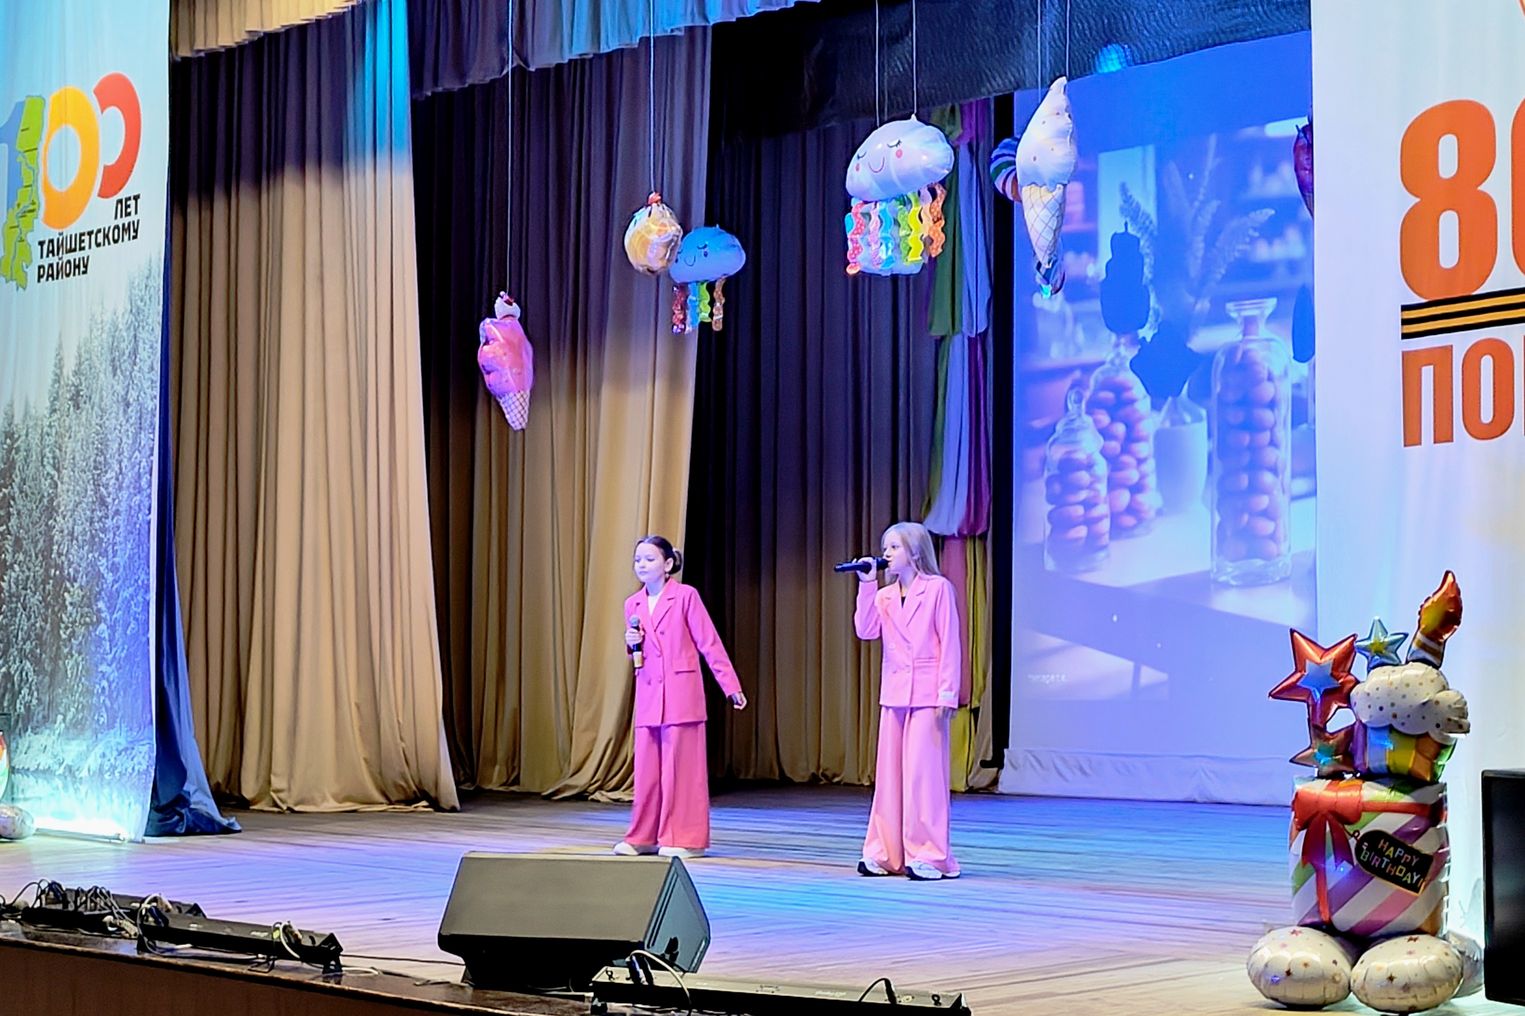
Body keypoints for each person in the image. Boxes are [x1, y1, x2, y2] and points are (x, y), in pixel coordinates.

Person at [615, 535, 747, 859]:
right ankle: (644, 836)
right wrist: (630, 643)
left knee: (682, 772)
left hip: (681, 694)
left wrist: (730, 686)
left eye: (649, 559)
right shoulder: (633, 604)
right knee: (647, 772)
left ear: (668, 563)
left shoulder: (686, 596)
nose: (642, 565)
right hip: (649, 695)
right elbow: (640, 652)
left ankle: (686, 838)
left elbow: (708, 642)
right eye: (638, 560)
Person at [852, 521, 961, 880]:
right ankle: (885, 853)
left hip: (928, 695)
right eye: (885, 547)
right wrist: (867, 585)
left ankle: (931, 855)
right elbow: (866, 630)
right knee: (890, 778)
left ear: (914, 552)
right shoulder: (884, 595)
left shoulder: (938, 589)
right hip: (895, 695)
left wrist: (947, 693)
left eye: (894, 547)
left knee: (923, 778)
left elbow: (950, 642)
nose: (886, 554)